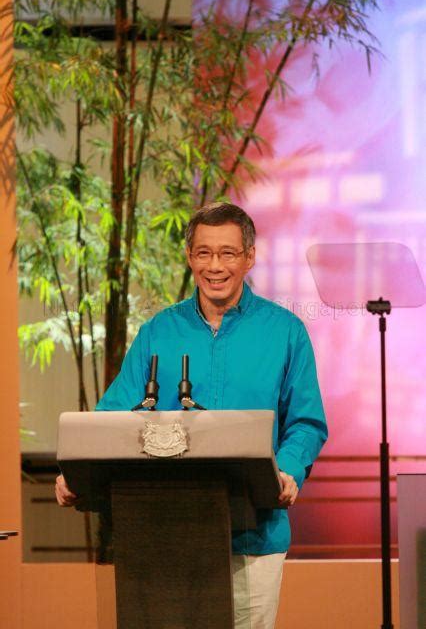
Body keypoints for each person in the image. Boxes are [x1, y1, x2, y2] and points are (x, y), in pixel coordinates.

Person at [56, 202, 327, 628]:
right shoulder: (157, 332)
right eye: (204, 253)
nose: (215, 266)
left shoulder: (286, 331)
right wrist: (75, 469)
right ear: (189, 257)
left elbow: (306, 422)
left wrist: (289, 470)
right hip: (167, 534)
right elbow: (112, 415)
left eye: (227, 253)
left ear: (250, 257)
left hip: (253, 536)